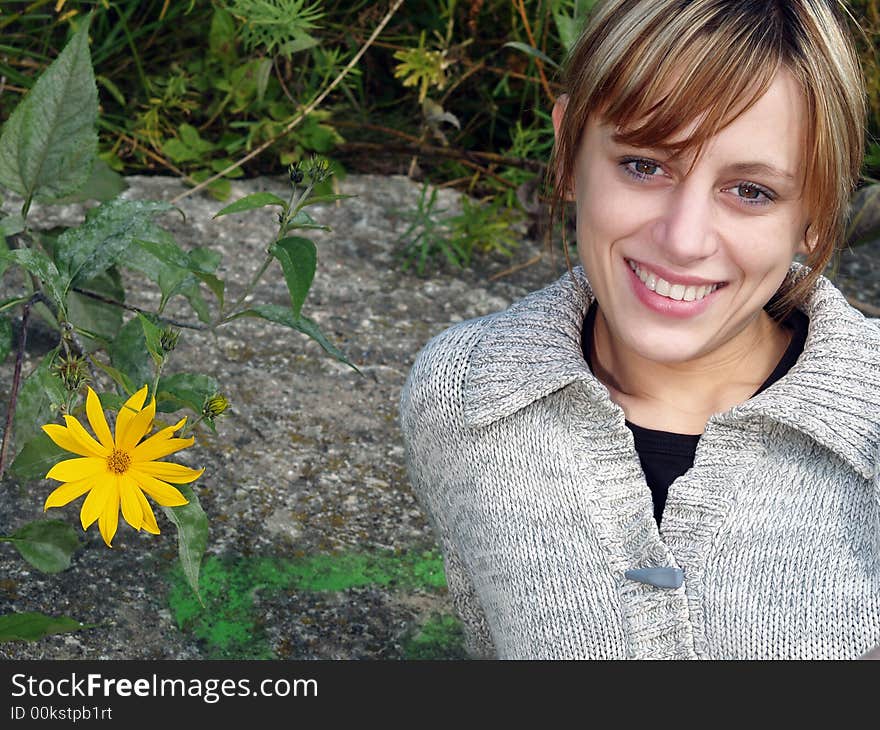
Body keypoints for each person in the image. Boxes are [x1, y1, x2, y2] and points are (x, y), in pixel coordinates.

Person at [398, 0, 880, 660]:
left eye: (751, 191)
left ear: (819, 212)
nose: (683, 240)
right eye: (644, 165)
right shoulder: (459, 399)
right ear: (569, 150)